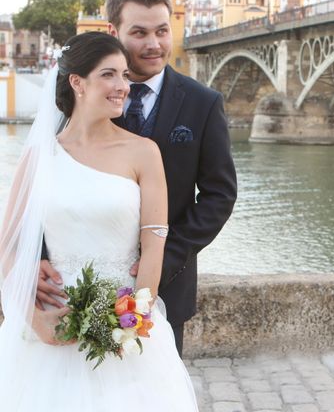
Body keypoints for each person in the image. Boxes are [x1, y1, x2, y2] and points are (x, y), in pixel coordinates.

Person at [37, 0, 238, 356]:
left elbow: (220, 195)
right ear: (114, 32)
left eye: (163, 31)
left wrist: (160, 261)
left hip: (164, 288)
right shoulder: (70, 103)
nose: (154, 44)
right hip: (66, 287)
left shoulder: (203, 103)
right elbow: (43, 190)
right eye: (140, 32)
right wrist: (37, 259)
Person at [0, 32, 199, 410]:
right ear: (77, 82)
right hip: (54, 318)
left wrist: (135, 317)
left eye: (125, 75)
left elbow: (155, 242)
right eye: (109, 75)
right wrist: (34, 319)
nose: (123, 86)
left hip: (126, 321)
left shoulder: (143, 153)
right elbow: (7, 244)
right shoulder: (40, 156)